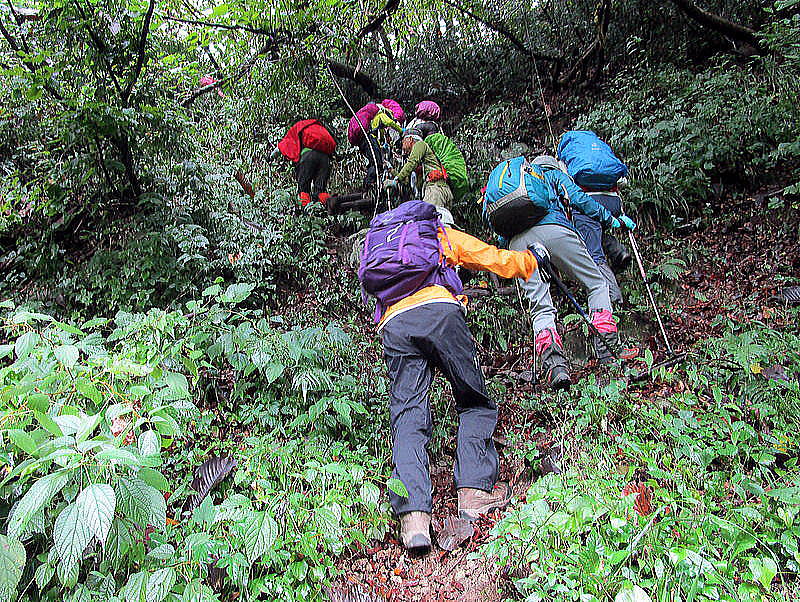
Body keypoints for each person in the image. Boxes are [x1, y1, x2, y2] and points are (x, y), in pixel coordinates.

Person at [358, 199, 539, 554]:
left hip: (394, 324)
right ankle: (474, 491)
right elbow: (488, 257)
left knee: (407, 416)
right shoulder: (438, 233)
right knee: (473, 401)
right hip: (440, 312)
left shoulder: (383, 245)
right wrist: (529, 262)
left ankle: (413, 519)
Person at [507, 155, 636, 388]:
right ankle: (608, 352)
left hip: (517, 243)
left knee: (540, 306)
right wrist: (611, 220)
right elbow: (580, 200)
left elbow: (501, 234)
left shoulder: (516, 186)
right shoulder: (552, 175)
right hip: (554, 230)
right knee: (597, 284)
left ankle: (556, 367)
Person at [572, 180, 630, 304]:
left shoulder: (566, 166)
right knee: (595, 235)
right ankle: (617, 250)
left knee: (594, 254)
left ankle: (614, 297)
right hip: (613, 202)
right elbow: (622, 181)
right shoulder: (607, 167)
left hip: (587, 203)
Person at [384, 130, 454, 226]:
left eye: (403, 141)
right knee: (442, 226)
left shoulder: (420, 145)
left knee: (430, 225)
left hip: (435, 190)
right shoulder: (423, 160)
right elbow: (407, 182)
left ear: (410, 139)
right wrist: (391, 170)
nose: (402, 146)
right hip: (442, 191)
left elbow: (411, 163)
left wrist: (396, 180)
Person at [270, 119, 336, 207]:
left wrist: (270, 157)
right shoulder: (319, 129)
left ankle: (305, 210)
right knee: (320, 190)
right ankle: (329, 207)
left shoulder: (298, 128)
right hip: (325, 159)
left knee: (304, 189)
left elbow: (283, 145)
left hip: (308, 157)